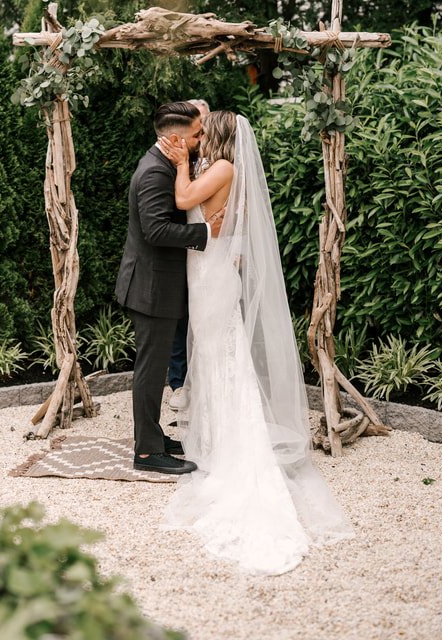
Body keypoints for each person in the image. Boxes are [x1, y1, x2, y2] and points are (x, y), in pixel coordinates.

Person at [159, 112, 354, 575]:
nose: (197, 138)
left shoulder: (223, 168)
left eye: (204, 133)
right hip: (207, 270)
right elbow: (216, 220)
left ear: (222, 137)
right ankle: (212, 436)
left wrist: (183, 163)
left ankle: (230, 444)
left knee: (221, 356)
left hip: (212, 277)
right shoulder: (220, 169)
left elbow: (184, 198)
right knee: (212, 357)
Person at [115, 101, 222, 476]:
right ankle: (146, 453)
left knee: (154, 367)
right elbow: (156, 231)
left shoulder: (166, 164)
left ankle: (155, 437)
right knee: (150, 371)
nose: (201, 139)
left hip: (158, 283)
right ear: (176, 137)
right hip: (150, 287)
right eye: (197, 134)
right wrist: (208, 233)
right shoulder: (153, 174)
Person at [167, 98, 211, 411]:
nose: (200, 135)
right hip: (179, 248)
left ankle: (207, 383)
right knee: (179, 315)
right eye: (197, 129)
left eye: (204, 127)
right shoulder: (173, 158)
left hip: (208, 252)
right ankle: (178, 383)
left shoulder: (215, 163)